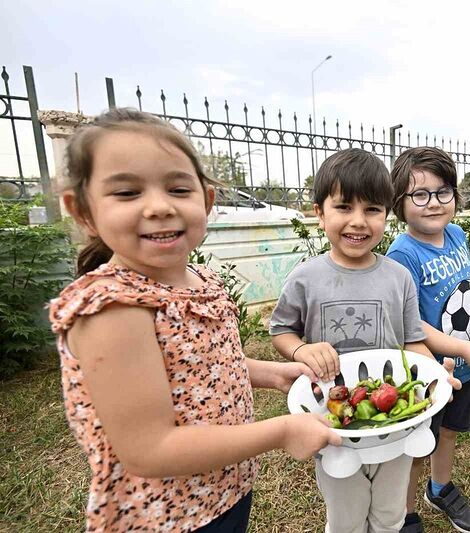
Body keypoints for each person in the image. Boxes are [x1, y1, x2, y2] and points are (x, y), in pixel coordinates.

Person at [49, 108, 340, 533]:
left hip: (223, 489)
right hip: (165, 515)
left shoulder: (199, 280)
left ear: (206, 200)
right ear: (82, 210)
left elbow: (203, 365)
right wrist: (281, 432)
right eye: (128, 192)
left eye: (178, 188)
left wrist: (270, 373)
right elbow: (149, 448)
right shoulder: (112, 308)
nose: (159, 207)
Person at [269, 148, 461, 533]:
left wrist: (432, 375)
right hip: (334, 422)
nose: (358, 222)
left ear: (387, 214)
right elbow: (281, 331)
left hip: (393, 419)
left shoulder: (397, 277)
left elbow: (412, 341)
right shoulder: (306, 278)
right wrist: (301, 349)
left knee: (390, 515)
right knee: (346, 518)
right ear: (319, 212)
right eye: (343, 207)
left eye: (372, 209)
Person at [385, 147, 470, 533]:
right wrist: (464, 347)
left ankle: (441, 487)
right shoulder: (403, 254)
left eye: (442, 191)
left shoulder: (457, 234)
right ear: (399, 202)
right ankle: (404, 513)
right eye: (420, 194)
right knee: (417, 447)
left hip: (464, 368)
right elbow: (410, 323)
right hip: (428, 373)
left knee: (450, 431)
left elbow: (465, 282)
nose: (433, 203)